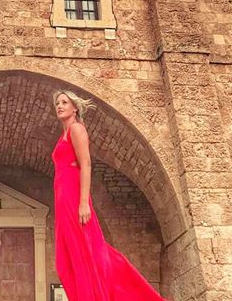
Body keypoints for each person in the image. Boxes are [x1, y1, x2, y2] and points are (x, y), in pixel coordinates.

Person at [52, 90, 167, 301]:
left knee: (86, 251)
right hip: (62, 200)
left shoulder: (77, 129)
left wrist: (84, 202)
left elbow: (85, 164)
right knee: (66, 258)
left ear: (74, 107)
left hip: (72, 196)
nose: (59, 106)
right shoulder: (64, 133)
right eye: (57, 103)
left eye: (64, 102)